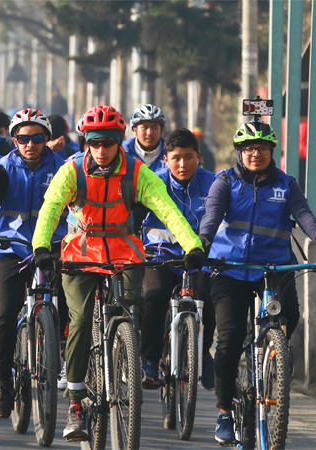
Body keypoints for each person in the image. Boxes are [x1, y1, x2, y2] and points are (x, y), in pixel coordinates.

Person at [31, 105, 205, 440]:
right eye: (94, 142)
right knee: (81, 319)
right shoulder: (71, 171)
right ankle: (76, 402)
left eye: (108, 142)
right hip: (81, 250)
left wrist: (191, 244)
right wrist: (40, 245)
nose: (101, 149)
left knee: (132, 307)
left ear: (118, 141)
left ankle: (123, 352)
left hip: (123, 251)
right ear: (86, 142)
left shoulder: (137, 172)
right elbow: (50, 208)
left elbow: (167, 209)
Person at [198, 120, 316, 445]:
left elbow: (306, 217)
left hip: (274, 265)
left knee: (290, 314)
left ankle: (277, 354)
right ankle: (224, 412)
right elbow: (211, 217)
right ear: (240, 152)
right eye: (249, 149)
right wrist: (201, 245)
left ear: (272, 151)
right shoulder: (225, 182)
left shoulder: (286, 185)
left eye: (262, 148)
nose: (255, 154)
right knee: (229, 341)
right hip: (230, 267)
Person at [0, 108, 68, 418]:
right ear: (14, 141)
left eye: (37, 138)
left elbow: (78, 205)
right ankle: (2, 382)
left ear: (46, 139)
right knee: (5, 314)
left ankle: (59, 352)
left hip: (53, 246)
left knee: (69, 301)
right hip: (11, 247)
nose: (30, 144)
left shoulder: (63, 168)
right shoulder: (2, 169)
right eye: (23, 139)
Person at [139, 128, 217, 390]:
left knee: (208, 296)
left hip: (199, 259)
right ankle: (150, 360)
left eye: (188, 157)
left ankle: (203, 352)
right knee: (155, 295)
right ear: (166, 159)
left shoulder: (214, 184)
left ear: (198, 157)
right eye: (176, 158)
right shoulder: (153, 183)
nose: (183, 164)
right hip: (160, 256)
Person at [122, 103, 168, 172]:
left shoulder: (170, 150)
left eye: (154, 128)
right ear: (135, 130)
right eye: (144, 127)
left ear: (161, 130)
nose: (149, 133)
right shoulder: (123, 150)